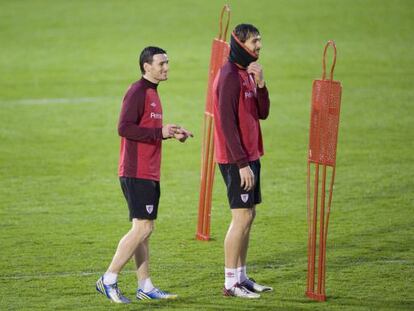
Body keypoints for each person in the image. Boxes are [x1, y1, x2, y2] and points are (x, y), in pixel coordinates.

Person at [96, 46, 193, 304]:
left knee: (143, 231)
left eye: (167, 63)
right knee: (144, 227)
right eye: (161, 64)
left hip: (148, 170)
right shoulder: (138, 91)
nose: (166, 68)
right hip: (136, 171)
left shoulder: (152, 93)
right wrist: (159, 133)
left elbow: (149, 129)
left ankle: (145, 286)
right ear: (146, 66)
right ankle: (108, 279)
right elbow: (124, 127)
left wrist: (170, 133)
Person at [213, 24, 272, 298]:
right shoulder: (228, 76)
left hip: (250, 155)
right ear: (239, 43)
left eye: (260, 41)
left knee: (249, 216)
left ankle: (242, 276)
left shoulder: (247, 73)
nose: (259, 46)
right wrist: (241, 164)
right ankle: (229, 283)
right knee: (241, 217)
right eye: (254, 42)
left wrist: (261, 85)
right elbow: (225, 123)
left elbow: (263, 113)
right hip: (236, 160)